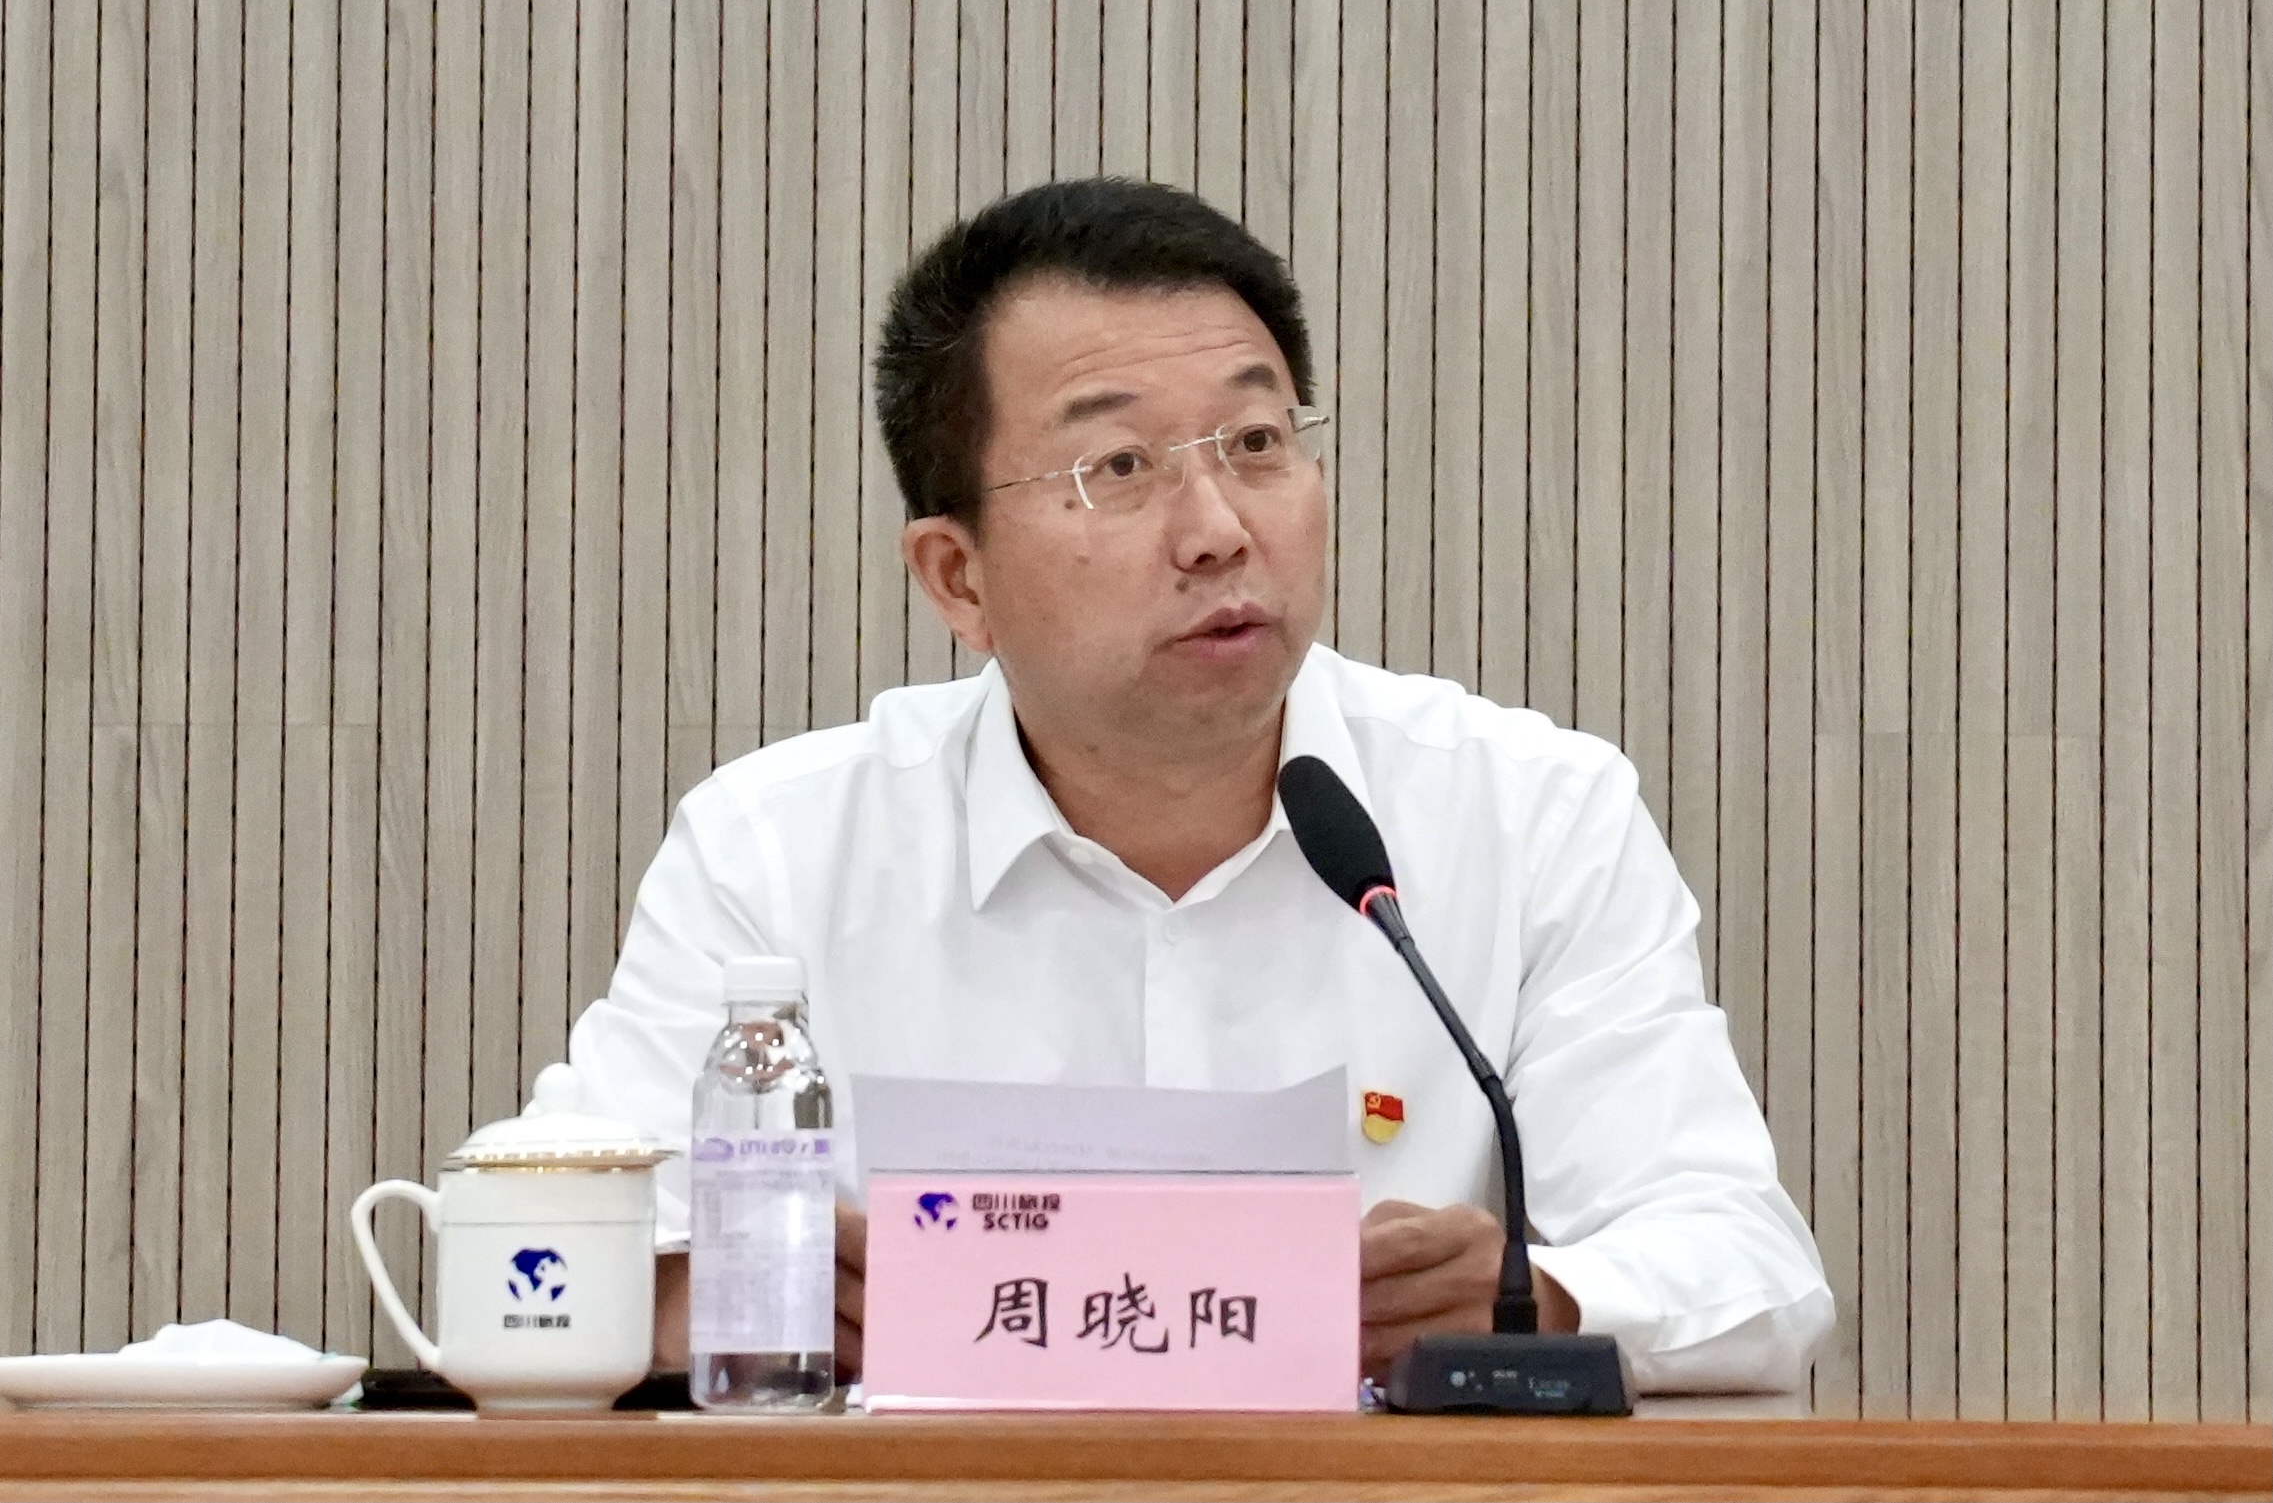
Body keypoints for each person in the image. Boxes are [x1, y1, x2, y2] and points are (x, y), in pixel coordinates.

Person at [558, 177, 1834, 1392]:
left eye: (1257, 441)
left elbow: (1748, 1273)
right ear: (957, 577)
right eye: (1117, 467)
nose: (1218, 528)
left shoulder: (1530, 816)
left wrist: (1532, 1299)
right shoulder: (776, 850)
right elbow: (548, 1245)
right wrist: (696, 1298)